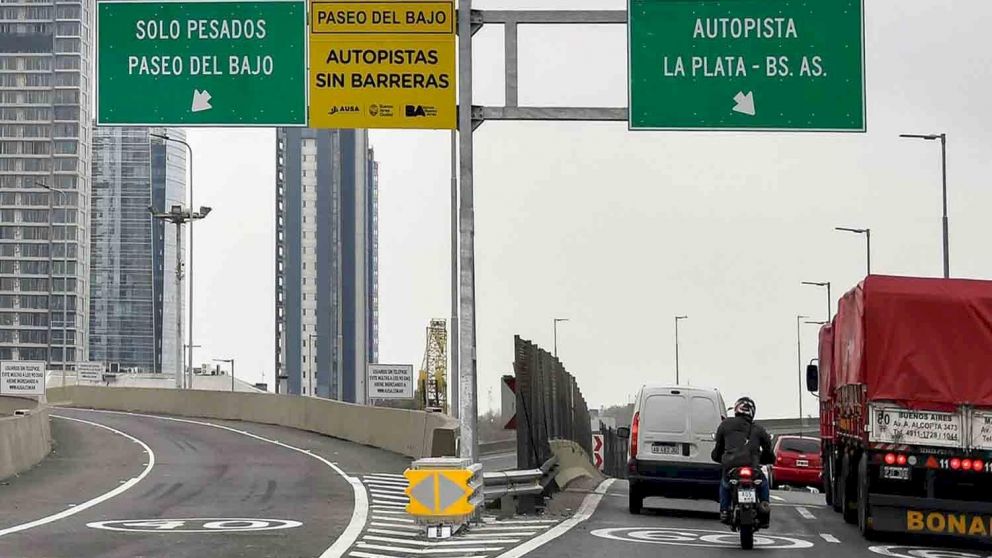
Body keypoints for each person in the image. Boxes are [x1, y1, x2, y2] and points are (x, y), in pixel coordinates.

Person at [711, 396, 775, 525]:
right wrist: (766, 459)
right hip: (752, 466)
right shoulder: (758, 429)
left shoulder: (725, 424)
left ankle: (724, 510)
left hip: (731, 467)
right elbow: (768, 450)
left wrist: (718, 457)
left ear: (736, 409)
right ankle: (764, 507)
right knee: (763, 483)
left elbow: (718, 448)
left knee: (725, 484)